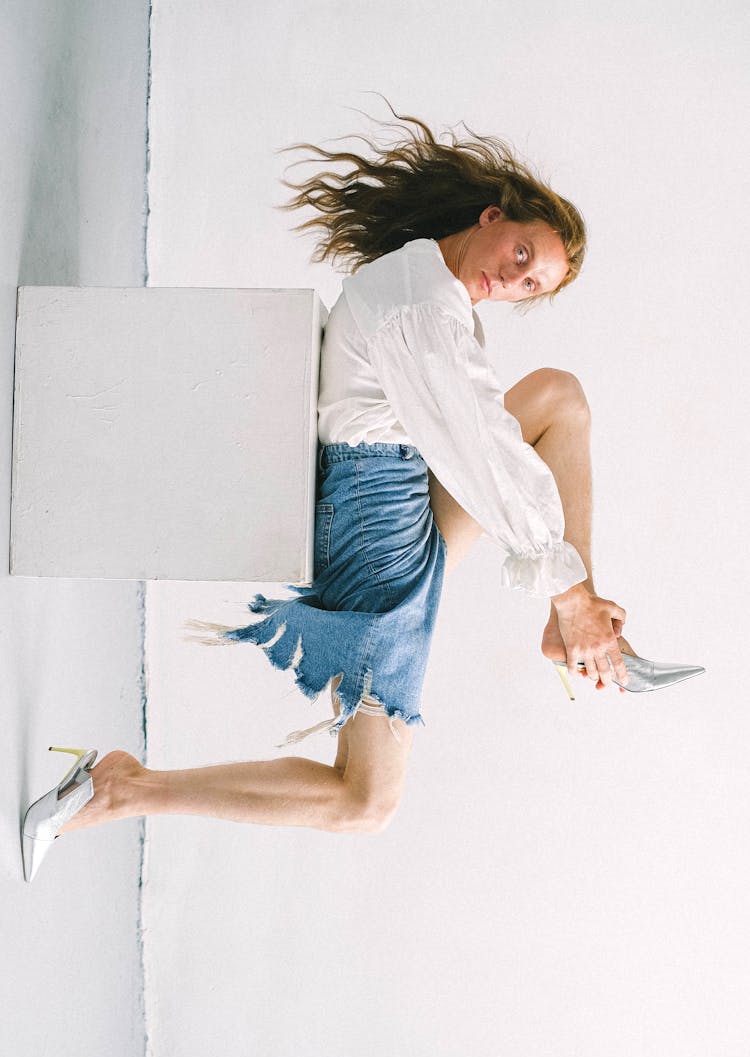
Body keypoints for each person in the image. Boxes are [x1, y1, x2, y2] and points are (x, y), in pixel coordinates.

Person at [21, 110, 703, 882]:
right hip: (371, 528)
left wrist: (569, 590)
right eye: (521, 253)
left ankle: (566, 615)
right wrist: (568, 587)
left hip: (397, 490)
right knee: (365, 800)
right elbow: (481, 452)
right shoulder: (421, 305)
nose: (513, 280)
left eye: (530, 283)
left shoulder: (432, 287)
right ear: (493, 216)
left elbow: (489, 445)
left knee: (560, 399)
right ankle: (123, 788)